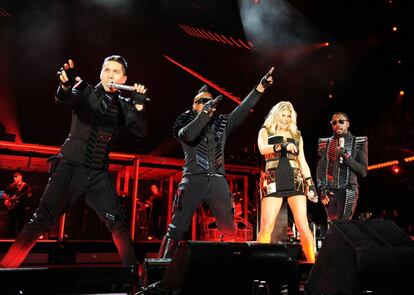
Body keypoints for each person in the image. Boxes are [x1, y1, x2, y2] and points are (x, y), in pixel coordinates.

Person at [0, 55, 148, 270]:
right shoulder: (86, 91)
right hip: (70, 167)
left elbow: (140, 131)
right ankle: (6, 269)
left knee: (118, 223)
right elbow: (65, 99)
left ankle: (134, 279)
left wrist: (140, 105)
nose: (110, 75)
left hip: (98, 174)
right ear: (100, 73)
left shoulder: (125, 105)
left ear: (124, 79)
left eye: (116, 72)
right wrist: (64, 86)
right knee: (41, 219)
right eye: (107, 70)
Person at [157, 67, 275, 258]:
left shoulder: (222, 123)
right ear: (194, 105)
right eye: (201, 101)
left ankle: (229, 269)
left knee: (229, 228)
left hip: (218, 180)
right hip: (193, 179)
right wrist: (203, 114)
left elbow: (242, 109)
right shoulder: (184, 122)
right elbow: (188, 136)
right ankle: (159, 271)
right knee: (176, 227)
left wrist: (259, 88)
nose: (205, 103)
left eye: (208, 101)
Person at [257, 101, 317, 263]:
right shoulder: (266, 130)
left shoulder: (297, 135)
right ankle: (259, 266)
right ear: (277, 115)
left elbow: (303, 161)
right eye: (283, 115)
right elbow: (263, 149)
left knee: (303, 225)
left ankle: (313, 266)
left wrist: (311, 185)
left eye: (288, 115)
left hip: (295, 179)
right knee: (267, 226)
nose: (285, 118)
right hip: (272, 179)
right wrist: (283, 146)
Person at [316, 112, 368, 222]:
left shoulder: (358, 142)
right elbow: (321, 167)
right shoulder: (325, 143)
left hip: (348, 190)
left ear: (347, 124)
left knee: (343, 225)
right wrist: (321, 189)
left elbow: (363, 171)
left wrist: (347, 156)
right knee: (333, 226)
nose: (337, 124)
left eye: (341, 121)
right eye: (334, 122)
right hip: (329, 192)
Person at [3, 172, 32, 238]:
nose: (14, 179)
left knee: (21, 223)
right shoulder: (12, 185)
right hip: (13, 207)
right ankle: (10, 236)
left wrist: (29, 193)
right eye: (14, 178)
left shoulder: (25, 186)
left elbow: (29, 195)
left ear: (20, 177)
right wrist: (9, 199)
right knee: (11, 222)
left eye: (16, 177)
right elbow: (4, 194)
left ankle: (19, 237)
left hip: (21, 207)